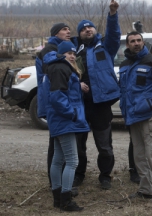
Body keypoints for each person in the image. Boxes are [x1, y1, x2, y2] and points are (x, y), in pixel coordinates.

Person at [70, 0, 121, 190]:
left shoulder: (106, 46)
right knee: (78, 146)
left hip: (101, 104)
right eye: (83, 28)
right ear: (79, 34)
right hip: (80, 106)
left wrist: (113, 14)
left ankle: (105, 176)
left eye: (89, 27)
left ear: (95, 30)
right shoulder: (74, 50)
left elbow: (115, 33)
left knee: (105, 145)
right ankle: (78, 175)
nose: (87, 29)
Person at [119, 31, 152, 202]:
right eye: (132, 41)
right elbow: (123, 90)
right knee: (139, 156)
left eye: (138, 40)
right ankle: (145, 189)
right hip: (132, 116)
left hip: (148, 115)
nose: (136, 43)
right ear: (127, 45)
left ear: (143, 42)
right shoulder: (125, 64)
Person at [43, 41, 90, 211]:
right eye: (68, 53)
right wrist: (73, 114)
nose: (72, 55)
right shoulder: (61, 68)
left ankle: (58, 199)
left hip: (59, 120)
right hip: (65, 120)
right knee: (72, 161)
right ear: (61, 54)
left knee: (58, 159)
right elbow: (57, 97)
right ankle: (66, 200)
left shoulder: (57, 67)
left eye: (73, 53)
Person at [36, 22, 70, 187]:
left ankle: (59, 182)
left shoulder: (58, 48)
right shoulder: (50, 50)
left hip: (54, 102)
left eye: (69, 29)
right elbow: (53, 73)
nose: (68, 31)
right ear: (56, 33)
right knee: (56, 146)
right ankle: (55, 183)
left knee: (59, 145)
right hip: (53, 103)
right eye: (64, 29)